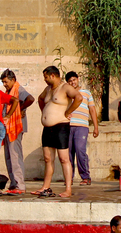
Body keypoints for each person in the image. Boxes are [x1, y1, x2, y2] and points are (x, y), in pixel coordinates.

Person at [33, 66, 84, 198]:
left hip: (61, 126)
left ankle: (68, 189)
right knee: (48, 158)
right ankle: (46, 186)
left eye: (46, 77)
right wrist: (45, 112)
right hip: (47, 128)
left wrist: (68, 111)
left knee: (64, 158)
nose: (44, 80)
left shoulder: (65, 87)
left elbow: (78, 98)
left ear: (53, 75)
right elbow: (40, 99)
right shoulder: (48, 89)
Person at [0, 69, 35, 195]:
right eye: (3, 82)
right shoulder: (9, 91)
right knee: (9, 157)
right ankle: (14, 183)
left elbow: (30, 99)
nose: (4, 84)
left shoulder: (19, 89)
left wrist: (20, 109)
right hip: (8, 127)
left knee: (15, 156)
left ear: (13, 80)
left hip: (16, 127)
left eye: (6, 82)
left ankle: (20, 184)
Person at [65, 71, 99, 186]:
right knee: (68, 153)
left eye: (74, 80)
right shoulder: (67, 94)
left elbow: (92, 110)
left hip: (82, 126)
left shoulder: (86, 93)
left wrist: (96, 127)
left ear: (78, 79)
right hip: (68, 125)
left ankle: (85, 177)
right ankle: (69, 178)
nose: (72, 82)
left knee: (80, 150)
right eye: (70, 81)